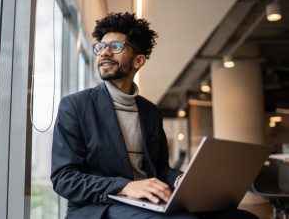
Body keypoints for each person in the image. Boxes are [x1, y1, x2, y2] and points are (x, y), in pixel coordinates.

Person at [51, 12, 257, 219]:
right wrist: (126, 187)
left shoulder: (151, 112)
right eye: (100, 47)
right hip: (101, 206)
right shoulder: (75, 106)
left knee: (243, 217)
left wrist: (180, 181)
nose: (104, 52)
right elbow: (64, 178)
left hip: (147, 202)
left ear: (138, 61)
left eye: (115, 47)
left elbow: (159, 168)